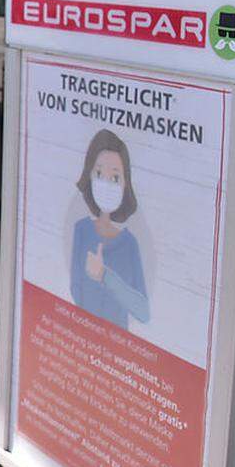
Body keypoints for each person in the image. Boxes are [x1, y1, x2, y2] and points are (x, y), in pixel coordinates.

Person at [69, 129, 150, 331]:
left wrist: (106, 276)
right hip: (83, 339)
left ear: (125, 184)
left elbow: (143, 311)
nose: (105, 184)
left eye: (114, 178)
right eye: (98, 174)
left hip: (116, 348)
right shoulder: (81, 230)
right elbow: (75, 288)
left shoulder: (129, 243)